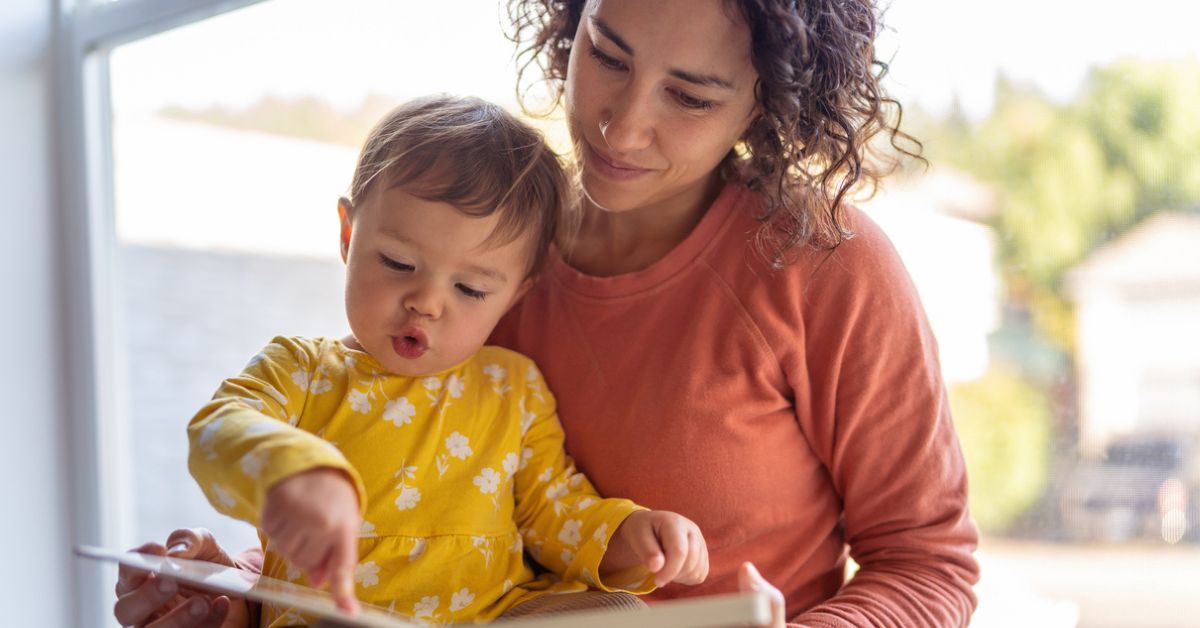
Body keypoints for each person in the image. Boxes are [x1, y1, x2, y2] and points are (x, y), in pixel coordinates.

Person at [114, 1, 980, 626]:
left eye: (690, 96)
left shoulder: (825, 265)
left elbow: (927, 566)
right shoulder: (482, 256)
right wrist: (240, 592)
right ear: (569, 22)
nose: (621, 124)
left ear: (768, 102)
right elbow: (410, 497)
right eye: (606, 52)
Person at [127, 94, 711, 627]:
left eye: (472, 290)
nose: (426, 303)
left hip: (493, 616)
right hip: (331, 615)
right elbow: (217, 429)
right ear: (348, 236)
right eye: (399, 263)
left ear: (517, 292)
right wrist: (292, 473)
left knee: (621, 613)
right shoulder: (300, 372)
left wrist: (630, 536)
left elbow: (554, 512)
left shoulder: (513, 388)